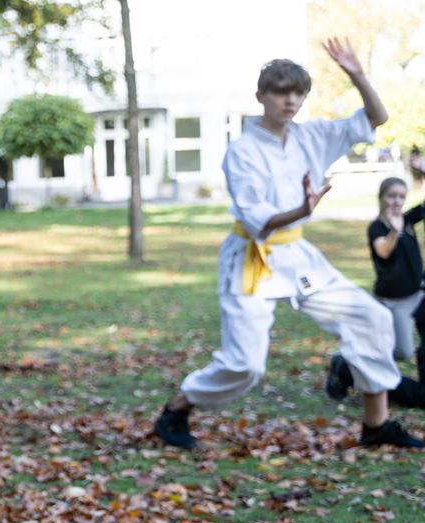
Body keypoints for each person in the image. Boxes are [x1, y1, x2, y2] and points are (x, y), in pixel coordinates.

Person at [156, 40, 424, 450]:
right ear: (261, 95)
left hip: (298, 257)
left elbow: (377, 117)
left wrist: (355, 73)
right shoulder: (242, 152)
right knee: (245, 366)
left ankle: (377, 426)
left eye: (298, 92)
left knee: (371, 318)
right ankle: (176, 410)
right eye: (282, 91)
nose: (291, 100)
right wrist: (302, 208)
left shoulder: (312, 136)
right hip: (252, 258)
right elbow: (257, 220)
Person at [364, 177, 423, 362]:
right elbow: (383, 251)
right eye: (392, 196)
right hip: (395, 301)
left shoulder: (406, 219)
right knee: (403, 352)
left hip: (418, 294)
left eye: (401, 197)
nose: (397, 201)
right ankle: (359, 358)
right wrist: (395, 231)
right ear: (381, 197)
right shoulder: (377, 227)